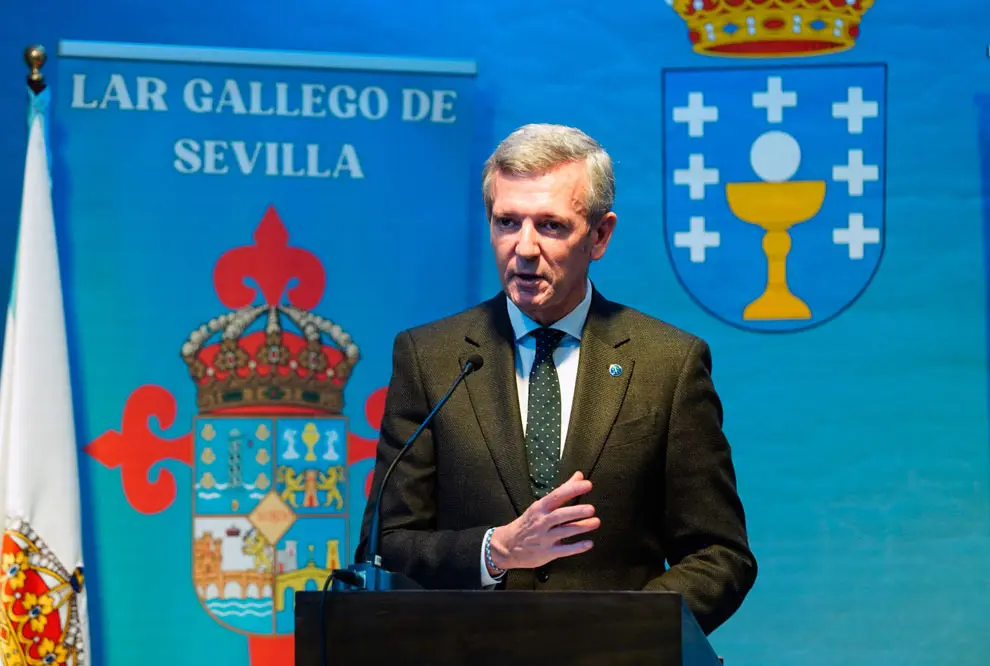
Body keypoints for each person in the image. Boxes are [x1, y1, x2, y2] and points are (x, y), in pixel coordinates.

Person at [356, 123, 756, 634]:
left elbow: (718, 553)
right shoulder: (430, 358)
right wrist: (494, 551)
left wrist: (621, 631)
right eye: (506, 222)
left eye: (549, 225)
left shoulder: (668, 365)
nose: (523, 248)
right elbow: (386, 543)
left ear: (600, 235)